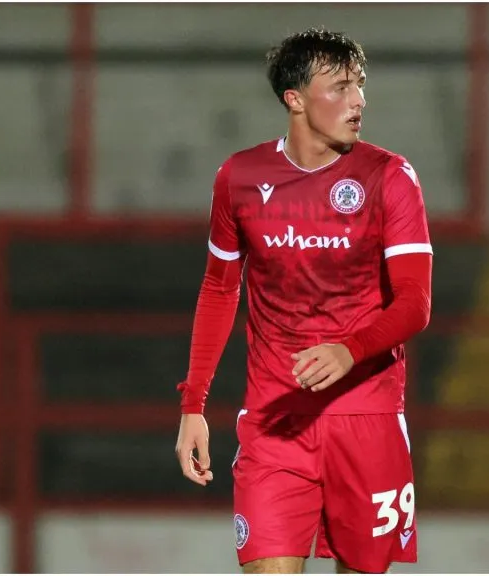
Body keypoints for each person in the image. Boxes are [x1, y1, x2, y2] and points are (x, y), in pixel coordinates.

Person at [175, 27, 432, 574]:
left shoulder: (391, 177)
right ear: (294, 99)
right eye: (339, 87)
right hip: (275, 421)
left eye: (360, 85)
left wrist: (350, 350)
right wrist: (193, 405)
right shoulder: (239, 178)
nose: (358, 100)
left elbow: (415, 303)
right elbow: (220, 289)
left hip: (366, 416)